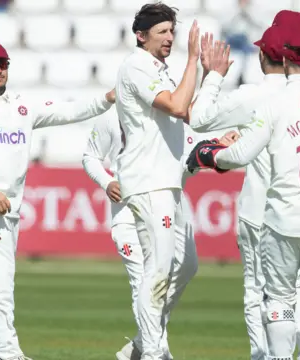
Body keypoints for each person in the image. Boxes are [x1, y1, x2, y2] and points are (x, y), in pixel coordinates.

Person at [189, 31, 300, 360]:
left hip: (276, 216)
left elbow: (227, 143)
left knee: (275, 298)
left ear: (284, 60)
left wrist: (210, 156)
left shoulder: (269, 101)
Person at [0, 40, 115, 360]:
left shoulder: (21, 104)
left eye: (3, 63)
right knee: (2, 275)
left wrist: (106, 99)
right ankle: (8, 352)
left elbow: (66, 110)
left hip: (8, 207)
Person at [81, 114, 238, 360]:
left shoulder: (173, 117)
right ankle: (156, 352)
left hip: (171, 202)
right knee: (145, 279)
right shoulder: (113, 117)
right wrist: (106, 181)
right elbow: (90, 156)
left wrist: (219, 144)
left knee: (187, 266)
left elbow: (191, 156)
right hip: (129, 209)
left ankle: (142, 343)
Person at [114, 3, 201, 360]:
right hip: (148, 182)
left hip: (168, 180)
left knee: (187, 264)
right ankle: (151, 351)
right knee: (159, 270)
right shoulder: (136, 65)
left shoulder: (160, 70)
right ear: (141, 34)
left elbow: (184, 116)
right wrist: (195, 60)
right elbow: (178, 107)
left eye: (172, 31)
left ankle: (139, 344)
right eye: (162, 31)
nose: (170, 38)